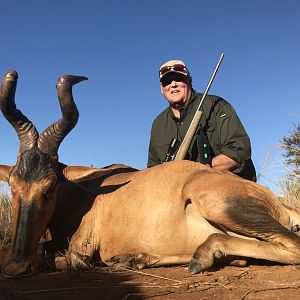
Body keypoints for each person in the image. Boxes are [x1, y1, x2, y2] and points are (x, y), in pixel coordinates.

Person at [147, 59, 256, 181]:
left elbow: (239, 152)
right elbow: (153, 170)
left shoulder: (216, 106)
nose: (173, 84)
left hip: (224, 184)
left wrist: (193, 171)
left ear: (190, 80)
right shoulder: (158, 124)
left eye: (179, 78)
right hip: (177, 194)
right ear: (162, 88)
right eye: (167, 81)